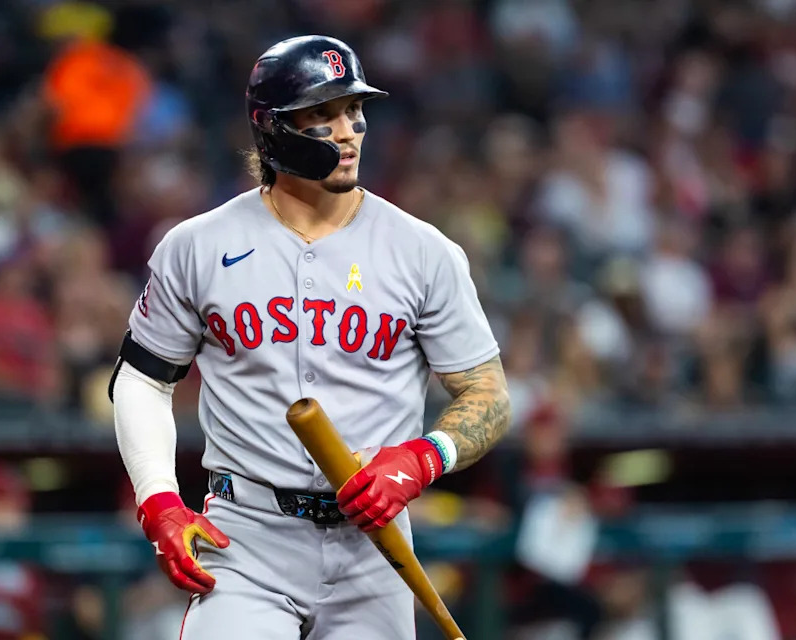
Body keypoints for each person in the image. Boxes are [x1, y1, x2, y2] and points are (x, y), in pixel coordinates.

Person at [108, 35, 511, 639]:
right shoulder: (196, 246)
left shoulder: (423, 251)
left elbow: (489, 395)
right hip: (248, 536)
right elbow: (141, 383)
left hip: (374, 548)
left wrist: (423, 458)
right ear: (271, 129)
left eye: (354, 111)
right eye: (321, 114)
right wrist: (159, 499)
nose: (347, 130)